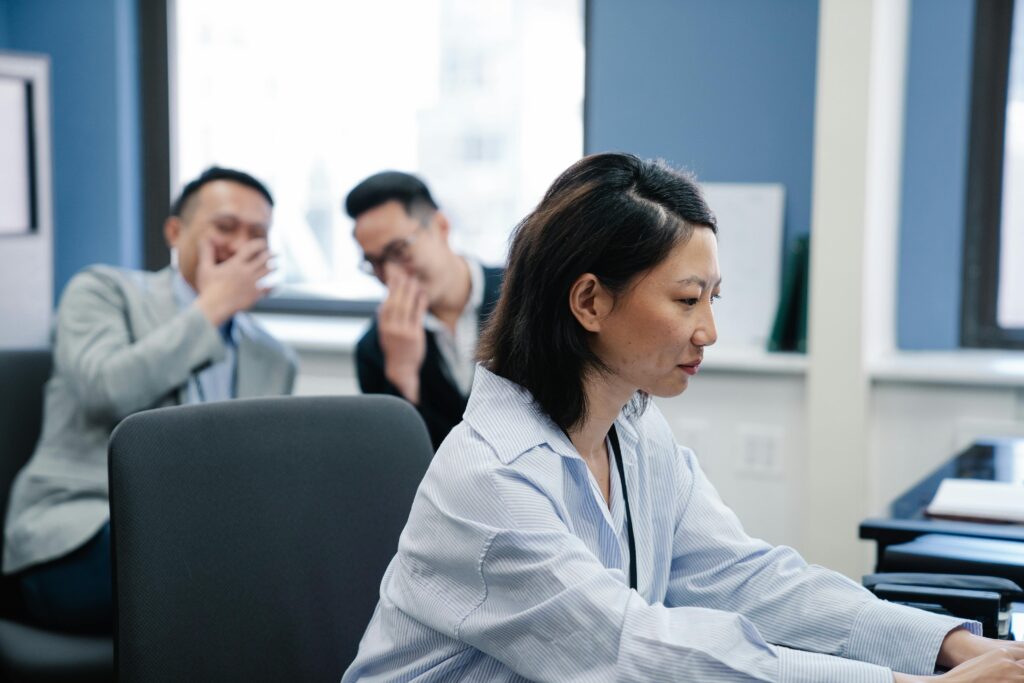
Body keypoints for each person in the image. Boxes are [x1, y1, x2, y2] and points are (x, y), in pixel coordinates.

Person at [342, 153, 1024, 682]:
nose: (709, 331)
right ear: (589, 302)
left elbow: (747, 579)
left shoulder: (633, 431)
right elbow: (634, 650)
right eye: (688, 298)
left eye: (713, 297)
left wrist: (950, 643)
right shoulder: (488, 480)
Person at [3, 167, 297, 632]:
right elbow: (106, 391)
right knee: (236, 585)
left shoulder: (274, 357)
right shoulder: (103, 291)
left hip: (202, 543)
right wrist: (211, 309)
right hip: (76, 534)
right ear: (175, 231)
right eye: (225, 228)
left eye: (257, 235)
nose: (241, 246)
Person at [346, 171, 503, 450]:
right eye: (375, 263)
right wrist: (403, 378)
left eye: (399, 251)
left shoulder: (523, 295)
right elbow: (399, 463)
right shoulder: (374, 348)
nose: (392, 276)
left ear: (441, 226)